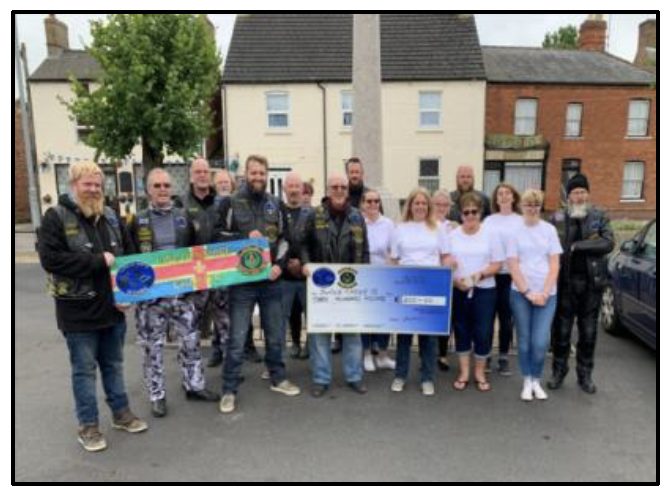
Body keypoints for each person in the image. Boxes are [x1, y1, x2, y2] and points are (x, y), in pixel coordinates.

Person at [38, 161, 147, 452]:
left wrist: (128, 294)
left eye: (98, 184)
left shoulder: (111, 216)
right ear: (73, 185)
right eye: (87, 184)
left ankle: (121, 414)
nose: (94, 189)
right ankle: (88, 426)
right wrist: (97, 261)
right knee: (84, 371)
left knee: (114, 365)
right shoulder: (55, 217)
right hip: (77, 312)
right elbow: (51, 260)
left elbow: (129, 258)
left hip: (113, 310)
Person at [129, 168, 220, 418]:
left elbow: (196, 251)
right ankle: (157, 395)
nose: (162, 190)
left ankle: (194, 385)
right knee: (152, 347)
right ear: (148, 190)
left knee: (190, 341)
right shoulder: (137, 220)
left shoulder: (183, 216)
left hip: (182, 294)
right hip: (151, 298)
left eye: (166, 185)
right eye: (157, 186)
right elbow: (128, 257)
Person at [214, 154, 301, 414]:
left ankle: (278, 378)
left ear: (267, 175)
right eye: (254, 173)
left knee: (275, 334)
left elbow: (285, 240)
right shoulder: (231, 202)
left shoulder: (276, 204)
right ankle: (229, 389)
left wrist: (279, 265)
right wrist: (243, 237)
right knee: (237, 338)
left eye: (262, 173)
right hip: (242, 282)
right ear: (246, 174)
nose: (258, 177)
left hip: (270, 280)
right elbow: (216, 237)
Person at [301, 173, 370, 397]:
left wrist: (365, 275)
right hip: (321, 285)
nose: (339, 190)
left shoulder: (357, 217)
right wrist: (305, 264)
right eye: (335, 187)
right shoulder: (314, 215)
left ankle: (354, 376)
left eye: (343, 187)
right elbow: (303, 245)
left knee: (352, 333)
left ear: (347, 190)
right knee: (320, 334)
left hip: (350, 285)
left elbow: (365, 250)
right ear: (328, 190)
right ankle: (321, 379)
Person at [548, 174, 614, 394]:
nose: (579, 196)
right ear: (568, 196)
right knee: (561, 332)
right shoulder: (557, 218)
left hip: (591, 284)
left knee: (588, 333)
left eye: (582, 192)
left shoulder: (599, 216)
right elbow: (548, 244)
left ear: (588, 194)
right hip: (565, 283)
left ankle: (585, 374)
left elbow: (608, 243)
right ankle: (559, 371)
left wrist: (578, 246)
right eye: (575, 192)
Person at [390, 187, 450, 396]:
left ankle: (427, 378)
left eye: (424, 203)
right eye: (417, 202)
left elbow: (445, 257)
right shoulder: (400, 229)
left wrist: (447, 275)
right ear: (410, 205)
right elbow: (394, 259)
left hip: (431, 287)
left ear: (429, 206)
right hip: (406, 286)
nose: (420, 206)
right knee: (404, 336)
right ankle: (400, 376)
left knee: (428, 338)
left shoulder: (438, 228)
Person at [445, 192, 504, 392]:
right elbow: (445, 261)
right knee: (461, 330)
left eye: (474, 211)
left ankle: (479, 372)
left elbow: (497, 264)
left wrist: (480, 275)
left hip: (484, 290)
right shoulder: (452, 235)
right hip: (459, 289)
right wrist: (455, 280)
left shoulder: (490, 234)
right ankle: (464, 372)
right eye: (466, 212)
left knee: (483, 332)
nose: (470, 215)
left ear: (480, 213)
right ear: (461, 214)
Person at [507, 189, 562, 401]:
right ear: (522, 206)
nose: (532, 209)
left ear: (540, 207)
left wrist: (544, 292)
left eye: (536, 205)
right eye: (528, 205)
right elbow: (513, 265)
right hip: (521, 293)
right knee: (524, 341)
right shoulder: (515, 232)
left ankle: (536, 379)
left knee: (540, 342)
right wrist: (528, 292)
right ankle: (527, 379)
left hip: (547, 294)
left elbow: (555, 264)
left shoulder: (549, 230)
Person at [482, 183, 523, 376]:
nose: (504, 196)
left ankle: (504, 357)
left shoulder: (521, 221)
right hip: (491, 275)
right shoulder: (489, 221)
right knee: (488, 317)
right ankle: (486, 355)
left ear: (513, 197)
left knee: (506, 319)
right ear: (496, 199)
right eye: (500, 193)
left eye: (508, 193)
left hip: (510, 276)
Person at [360, 189, 396, 372]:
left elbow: (393, 250)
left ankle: (382, 356)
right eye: (369, 201)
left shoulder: (388, 224)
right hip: (364, 276)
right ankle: (367, 354)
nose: (373, 204)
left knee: (384, 317)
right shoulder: (358, 222)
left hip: (383, 277)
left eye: (376, 201)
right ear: (363, 204)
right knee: (366, 317)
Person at [204, 169, 237, 368]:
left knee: (229, 312)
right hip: (211, 266)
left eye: (227, 182)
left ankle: (229, 354)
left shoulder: (237, 205)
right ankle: (217, 349)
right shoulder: (209, 208)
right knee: (217, 311)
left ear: (232, 185)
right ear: (214, 186)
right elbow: (210, 236)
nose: (224, 185)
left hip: (232, 267)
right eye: (220, 182)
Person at [280, 172, 312, 360]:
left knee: (312, 315)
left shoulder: (312, 214)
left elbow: (315, 243)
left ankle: (310, 346)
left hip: (307, 276)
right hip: (284, 276)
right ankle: (291, 346)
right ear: (284, 189)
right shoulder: (278, 213)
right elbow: (276, 241)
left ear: (302, 189)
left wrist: (302, 263)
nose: (293, 190)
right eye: (290, 186)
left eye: (297, 186)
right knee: (286, 316)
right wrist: (287, 263)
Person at [432, 189, 455, 372]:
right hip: (431, 277)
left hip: (449, 278)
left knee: (447, 318)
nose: (441, 208)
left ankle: (442, 354)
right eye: (438, 204)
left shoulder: (453, 227)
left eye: (445, 205)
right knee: (430, 317)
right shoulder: (427, 224)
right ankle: (427, 354)